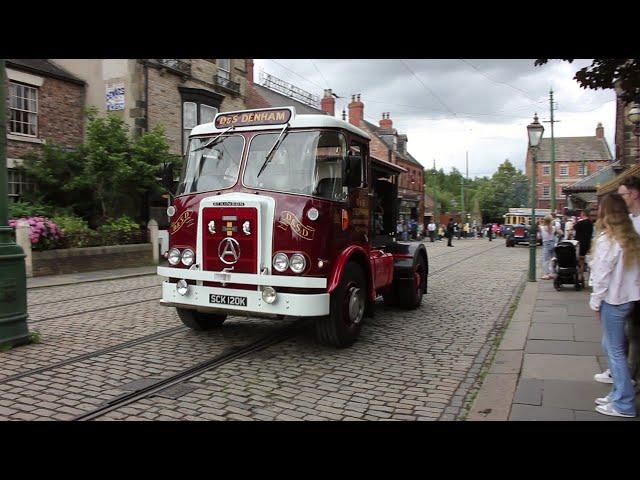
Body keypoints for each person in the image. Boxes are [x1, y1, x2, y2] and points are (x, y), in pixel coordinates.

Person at [589, 193, 640, 418]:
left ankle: (624, 403)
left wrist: (595, 303)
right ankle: (618, 392)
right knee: (612, 347)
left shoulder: (607, 239)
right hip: (628, 298)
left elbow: (601, 276)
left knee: (615, 350)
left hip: (613, 299)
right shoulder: (630, 237)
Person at [573, 209, 593, 284]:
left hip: (579, 244)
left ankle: (580, 276)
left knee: (579, 261)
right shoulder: (590, 223)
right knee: (583, 259)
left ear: (583, 214)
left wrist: (577, 221)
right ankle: (583, 274)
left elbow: (574, 227)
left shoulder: (580, 223)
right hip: (587, 243)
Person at [539, 215, 558, 280]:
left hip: (546, 244)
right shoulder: (554, 228)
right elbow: (560, 233)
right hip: (553, 243)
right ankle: (552, 273)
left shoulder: (541, 227)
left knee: (545, 260)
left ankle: (546, 274)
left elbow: (539, 237)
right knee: (553, 259)